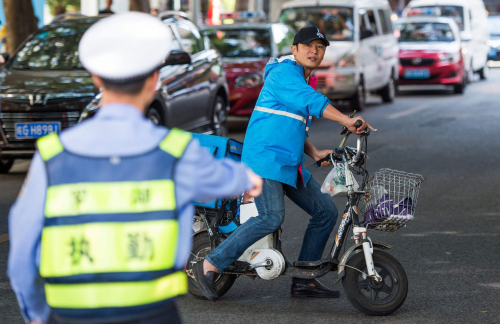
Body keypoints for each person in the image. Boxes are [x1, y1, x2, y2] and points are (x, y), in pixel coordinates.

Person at [7, 12, 262, 324]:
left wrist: (35, 313)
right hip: (151, 313)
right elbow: (231, 179)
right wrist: (248, 179)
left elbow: (21, 253)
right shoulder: (177, 152)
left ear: (96, 79)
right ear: (154, 81)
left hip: (70, 313)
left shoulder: (51, 156)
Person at [195, 26, 372, 300]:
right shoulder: (283, 73)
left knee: (325, 212)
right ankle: (210, 263)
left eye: (320, 47)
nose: (314, 51)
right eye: (308, 46)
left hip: (288, 162)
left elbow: (293, 124)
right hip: (264, 158)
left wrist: (313, 153)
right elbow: (309, 102)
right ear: (294, 49)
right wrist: (347, 120)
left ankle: (304, 281)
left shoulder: (304, 79)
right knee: (271, 216)